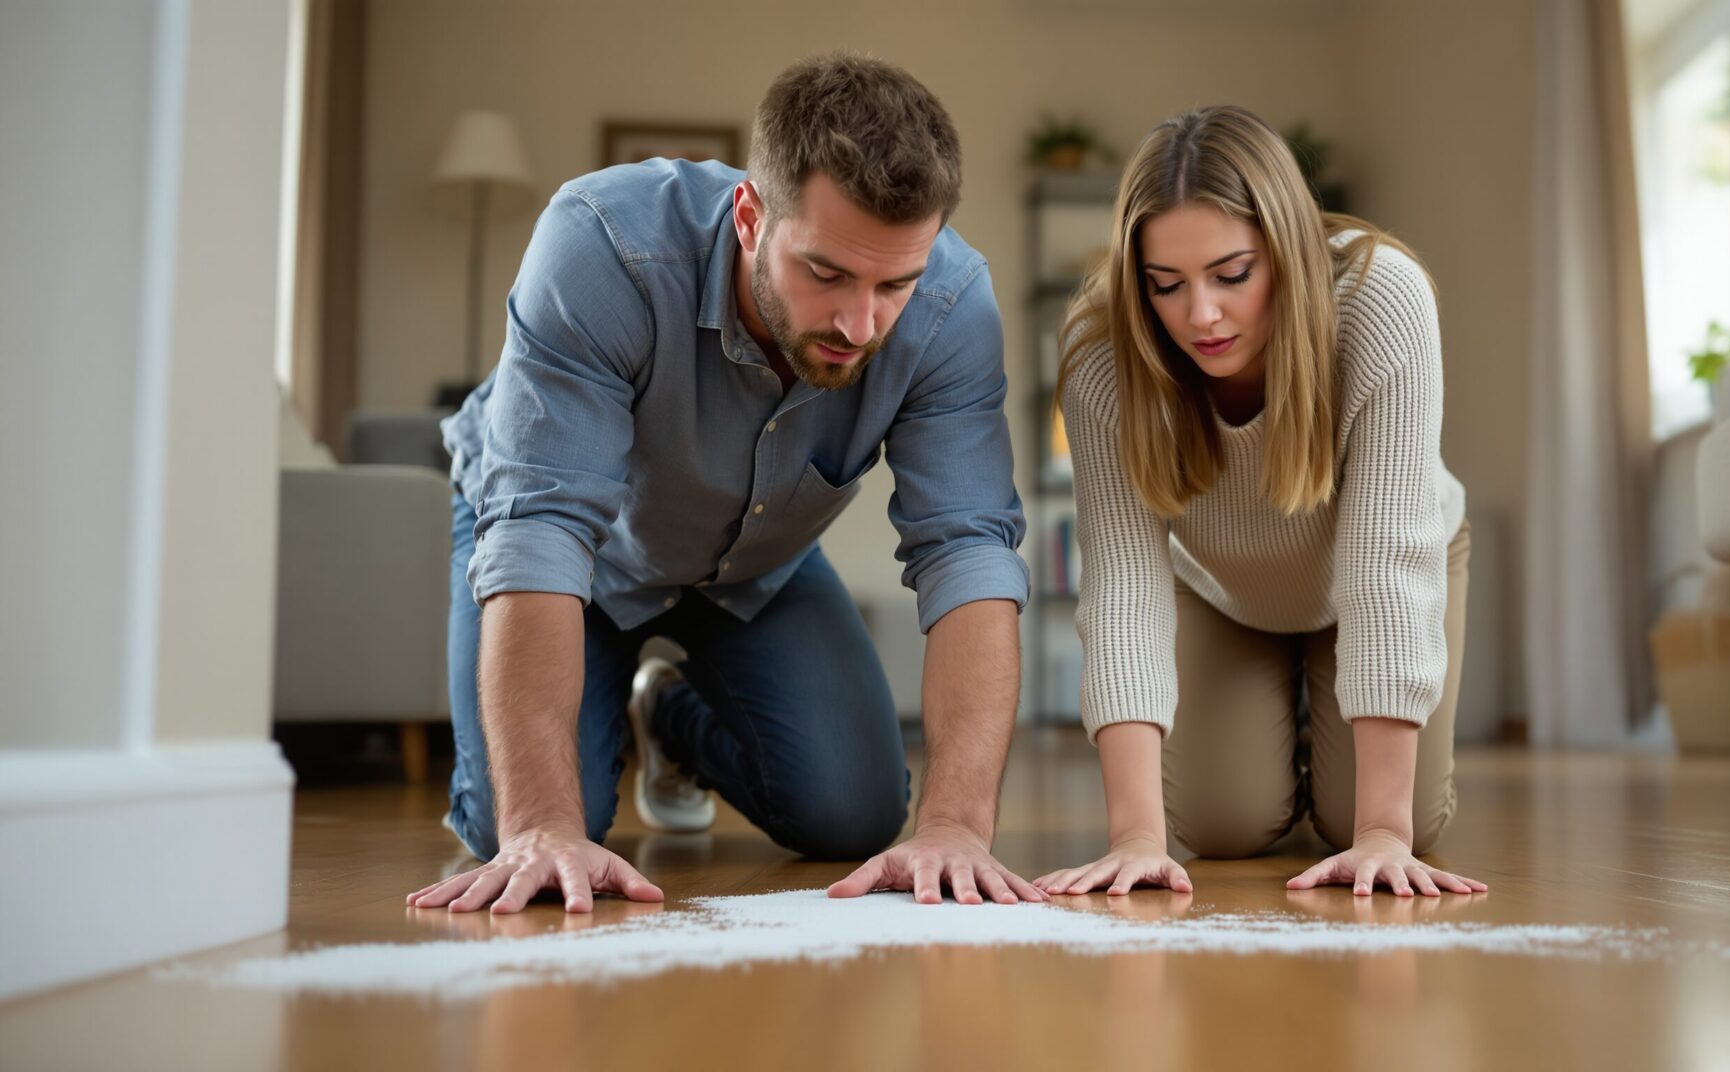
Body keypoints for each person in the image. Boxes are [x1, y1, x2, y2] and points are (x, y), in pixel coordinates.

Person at [407, 53, 1046, 915]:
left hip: (754, 564)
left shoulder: (952, 306)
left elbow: (968, 551)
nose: (861, 324)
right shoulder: (604, 246)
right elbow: (540, 529)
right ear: (750, 217)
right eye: (826, 273)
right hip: (580, 555)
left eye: (895, 283)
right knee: (524, 830)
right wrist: (542, 823)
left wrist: (958, 827)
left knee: (853, 814)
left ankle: (668, 715)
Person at [1034, 106, 1487, 899]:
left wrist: (1383, 834)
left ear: (1287, 249)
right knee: (1222, 828)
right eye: (1165, 285)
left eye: (1232, 274)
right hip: (1225, 588)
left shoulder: (1382, 297)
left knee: (1380, 821)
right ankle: (1292, 718)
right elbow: (1123, 590)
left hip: (1382, 568)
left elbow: (1386, 564)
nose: (1200, 316)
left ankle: (1334, 743)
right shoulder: (1101, 355)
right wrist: (1136, 839)